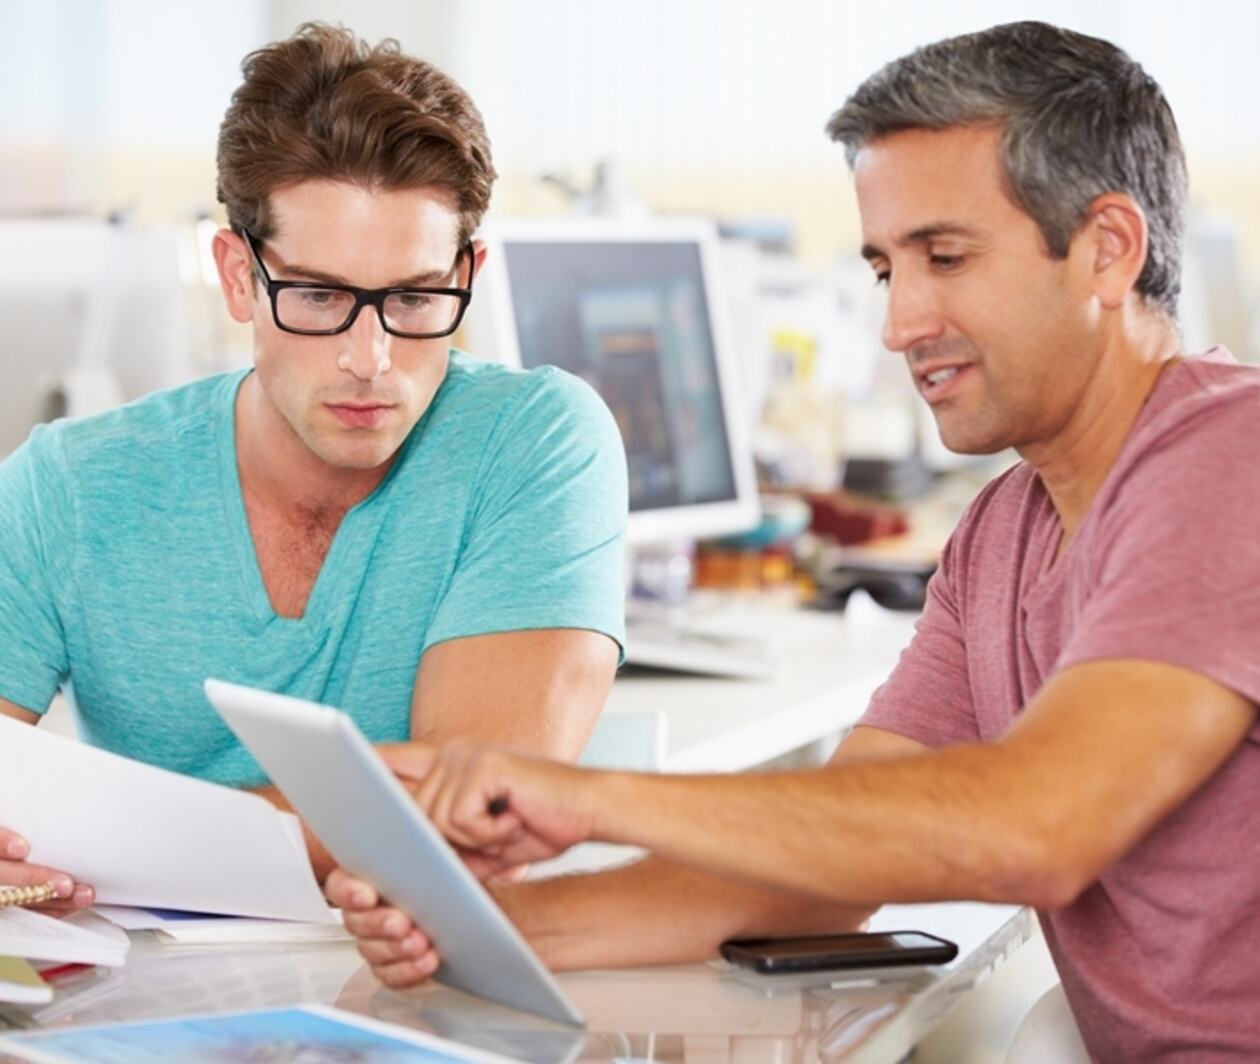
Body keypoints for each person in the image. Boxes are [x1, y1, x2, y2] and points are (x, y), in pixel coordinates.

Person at [329, 21, 1260, 1061]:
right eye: (884, 269)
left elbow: (1037, 825)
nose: (900, 323)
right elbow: (822, 860)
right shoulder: (1002, 532)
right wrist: (480, 930)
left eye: (945, 257)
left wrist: (586, 798)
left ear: (1108, 249)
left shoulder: (1232, 453)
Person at [0, 25, 626, 910]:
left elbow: (471, 818)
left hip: (424, 989)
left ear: (469, 274)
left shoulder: (537, 442)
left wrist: (100, 843)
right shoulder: (68, 485)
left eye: (413, 298)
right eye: (320, 296)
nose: (369, 357)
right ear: (237, 277)